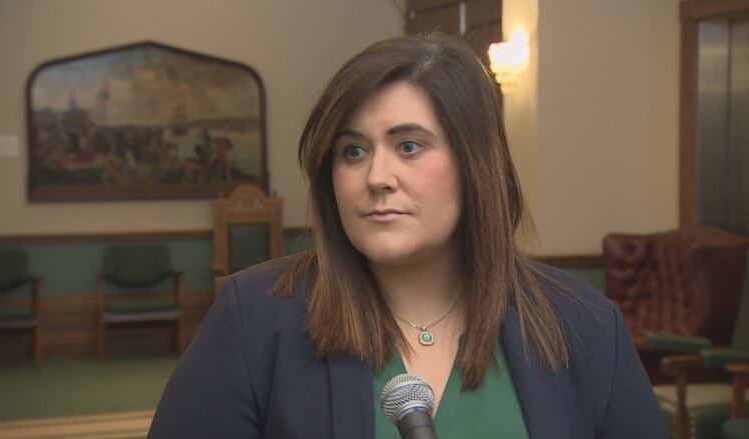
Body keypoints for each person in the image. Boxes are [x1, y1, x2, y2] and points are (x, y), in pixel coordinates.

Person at [148, 33, 667, 438]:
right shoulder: (255, 319)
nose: (377, 177)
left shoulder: (583, 324)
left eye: (409, 146)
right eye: (353, 151)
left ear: (474, 164)